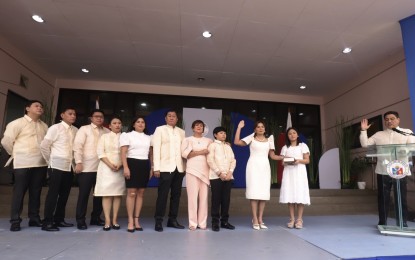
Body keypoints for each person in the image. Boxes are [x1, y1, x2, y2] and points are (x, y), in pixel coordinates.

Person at [360, 111, 415, 227]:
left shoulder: (407, 132)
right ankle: (382, 222)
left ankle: (402, 222)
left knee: (401, 197)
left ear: (398, 120)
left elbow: (412, 147)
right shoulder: (378, 134)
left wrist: (398, 151)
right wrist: (363, 130)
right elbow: (365, 144)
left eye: (392, 118)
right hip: (383, 170)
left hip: (400, 170)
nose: (389, 121)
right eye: (386, 119)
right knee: (383, 198)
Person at [1, 100, 48, 232]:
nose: (40, 108)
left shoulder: (44, 125)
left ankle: (34, 218)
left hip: (40, 163)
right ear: (27, 108)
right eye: (36, 106)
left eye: (41, 106)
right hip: (22, 163)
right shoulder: (17, 123)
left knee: (36, 192)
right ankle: (15, 220)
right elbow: (6, 141)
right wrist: (17, 154)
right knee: (19, 192)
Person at [234, 120, 282, 230]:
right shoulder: (251, 137)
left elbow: (273, 156)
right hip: (253, 167)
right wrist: (239, 127)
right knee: (254, 193)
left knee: (263, 194)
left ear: (265, 129)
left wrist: (284, 157)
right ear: (255, 129)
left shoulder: (270, 139)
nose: (260, 128)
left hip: (265, 167)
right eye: (258, 127)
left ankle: (260, 219)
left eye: (262, 127)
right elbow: (236, 142)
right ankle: (254, 218)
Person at [40, 107, 78, 231]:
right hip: (56, 166)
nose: (73, 116)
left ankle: (59, 219)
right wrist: (50, 160)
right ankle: (47, 222)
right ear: (62, 115)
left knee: (64, 195)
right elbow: (44, 146)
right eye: (70, 113)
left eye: (74, 114)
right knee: (53, 194)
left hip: (69, 167)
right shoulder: (55, 128)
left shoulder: (76, 130)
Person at [73, 109, 110, 230]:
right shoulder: (84, 129)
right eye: (96, 116)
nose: (99, 118)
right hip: (86, 168)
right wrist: (78, 162)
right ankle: (80, 219)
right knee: (84, 195)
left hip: (102, 168)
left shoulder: (107, 131)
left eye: (101, 117)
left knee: (99, 195)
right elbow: (77, 146)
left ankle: (96, 218)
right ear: (91, 118)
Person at [152, 110, 185, 232]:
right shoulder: (160, 129)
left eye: (174, 116)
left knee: (176, 195)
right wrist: (156, 167)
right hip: (165, 167)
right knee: (162, 195)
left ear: (177, 119)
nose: (171, 118)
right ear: (165, 118)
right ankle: (159, 220)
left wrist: (184, 167)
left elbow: (184, 150)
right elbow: (156, 149)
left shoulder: (182, 132)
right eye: (169, 116)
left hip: (179, 168)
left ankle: (172, 220)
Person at [120, 116, 152, 233]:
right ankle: (130, 221)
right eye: (138, 122)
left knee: (141, 193)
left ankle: (137, 219)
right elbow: (123, 153)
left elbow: (150, 154)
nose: (140, 124)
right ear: (133, 124)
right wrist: (126, 167)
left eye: (143, 122)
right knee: (132, 192)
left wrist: (151, 167)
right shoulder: (127, 135)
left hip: (144, 164)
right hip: (132, 163)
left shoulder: (149, 137)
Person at [94, 116, 126, 231]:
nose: (117, 125)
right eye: (114, 123)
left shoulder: (125, 137)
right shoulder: (104, 136)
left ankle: (115, 220)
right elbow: (100, 152)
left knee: (117, 194)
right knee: (107, 194)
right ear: (110, 125)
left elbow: (128, 153)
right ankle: (107, 220)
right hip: (106, 167)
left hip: (120, 168)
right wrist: (110, 164)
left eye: (119, 123)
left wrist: (121, 164)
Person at [181, 120, 212, 230]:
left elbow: (214, 152)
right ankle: (193, 223)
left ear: (204, 129)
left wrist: (225, 144)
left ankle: (202, 223)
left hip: (205, 172)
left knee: (204, 199)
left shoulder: (209, 141)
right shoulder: (188, 140)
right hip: (192, 171)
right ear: (193, 128)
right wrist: (200, 152)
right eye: (197, 125)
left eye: (201, 126)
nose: (199, 127)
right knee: (192, 198)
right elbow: (185, 154)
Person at [279, 127, 310, 229]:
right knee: (290, 195)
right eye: (289, 134)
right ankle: (292, 219)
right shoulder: (285, 148)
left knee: (300, 194)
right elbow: (282, 162)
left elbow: (307, 160)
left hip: (300, 172)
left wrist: (298, 161)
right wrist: (288, 161)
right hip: (289, 172)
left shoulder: (303, 146)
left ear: (297, 135)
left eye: (294, 133)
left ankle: (299, 219)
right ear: (287, 136)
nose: (292, 135)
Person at [207, 126, 236, 232]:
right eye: (221, 133)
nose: (223, 135)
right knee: (216, 200)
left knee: (226, 200)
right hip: (216, 177)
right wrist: (219, 173)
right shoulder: (212, 146)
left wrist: (230, 172)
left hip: (228, 176)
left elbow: (233, 160)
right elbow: (210, 160)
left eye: (224, 133)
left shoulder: (228, 147)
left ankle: (224, 221)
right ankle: (215, 222)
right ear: (215, 135)